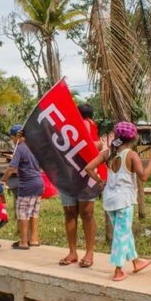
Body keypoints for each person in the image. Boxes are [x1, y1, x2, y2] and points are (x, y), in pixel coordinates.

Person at [85, 121, 151, 281]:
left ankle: (136, 261)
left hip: (109, 200)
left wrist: (100, 181)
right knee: (121, 234)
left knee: (124, 231)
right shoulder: (131, 155)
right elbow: (144, 177)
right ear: (133, 138)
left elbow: (88, 168)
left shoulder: (107, 153)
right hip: (124, 200)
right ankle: (118, 270)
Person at [59, 102, 99, 268]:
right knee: (72, 213)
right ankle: (73, 252)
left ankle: (88, 252)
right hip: (68, 174)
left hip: (84, 175)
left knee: (85, 213)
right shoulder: (64, 128)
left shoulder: (90, 126)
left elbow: (97, 145)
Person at [1, 124, 44, 249]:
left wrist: (3, 180)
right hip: (38, 184)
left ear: (17, 136)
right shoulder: (34, 146)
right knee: (34, 213)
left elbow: (11, 168)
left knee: (22, 213)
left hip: (27, 185)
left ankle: (23, 242)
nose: (13, 141)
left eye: (12, 138)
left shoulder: (20, 148)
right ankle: (34, 239)